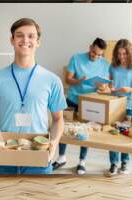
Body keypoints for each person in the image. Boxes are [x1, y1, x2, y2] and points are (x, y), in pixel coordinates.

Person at [0, 18, 67, 174]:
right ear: (12, 40)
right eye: (19, 35)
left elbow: (58, 119)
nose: (25, 40)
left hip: (38, 159)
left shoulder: (52, 80)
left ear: (38, 41)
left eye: (31, 36)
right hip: (3, 158)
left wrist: (54, 142)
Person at [52, 38, 110, 175]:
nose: (95, 56)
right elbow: (68, 79)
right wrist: (79, 81)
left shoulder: (105, 64)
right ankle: (61, 158)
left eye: (99, 55)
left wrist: (103, 88)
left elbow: (106, 86)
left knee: (85, 132)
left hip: (90, 103)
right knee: (64, 128)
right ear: (90, 47)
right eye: (94, 53)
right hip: (72, 99)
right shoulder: (76, 58)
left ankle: (82, 162)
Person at [107, 39, 132, 176]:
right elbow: (109, 83)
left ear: (129, 54)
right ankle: (113, 163)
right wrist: (109, 87)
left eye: (124, 54)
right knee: (113, 134)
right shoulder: (112, 66)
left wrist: (128, 89)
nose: (121, 57)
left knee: (125, 135)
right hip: (114, 103)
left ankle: (124, 162)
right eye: (119, 54)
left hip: (129, 105)